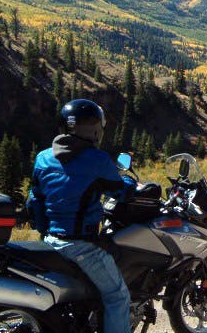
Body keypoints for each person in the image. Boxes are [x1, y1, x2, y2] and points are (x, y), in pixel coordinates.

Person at [27, 98, 136, 333]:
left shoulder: (43, 158)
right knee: (117, 296)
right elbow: (121, 192)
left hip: (48, 243)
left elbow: (34, 200)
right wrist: (131, 183)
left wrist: (45, 230)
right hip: (81, 246)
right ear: (94, 129)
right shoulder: (97, 160)